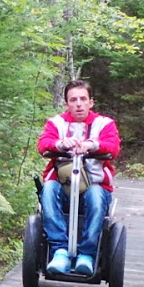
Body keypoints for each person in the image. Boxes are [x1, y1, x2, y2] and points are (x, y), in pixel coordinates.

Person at [36, 79, 120, 276]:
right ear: (67, 103)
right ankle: (60, 251)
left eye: (83, 99)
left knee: (96, 195)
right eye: (73, 100)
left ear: (91, 102)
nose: (79, 104)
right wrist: (61, 144)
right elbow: (44, 144)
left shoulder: (104, 124)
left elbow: (113, 147)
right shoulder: (56, 123)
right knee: (48, 188)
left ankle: (87, 255)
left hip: (94, 188)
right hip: (63, 188)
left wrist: (92, 145)